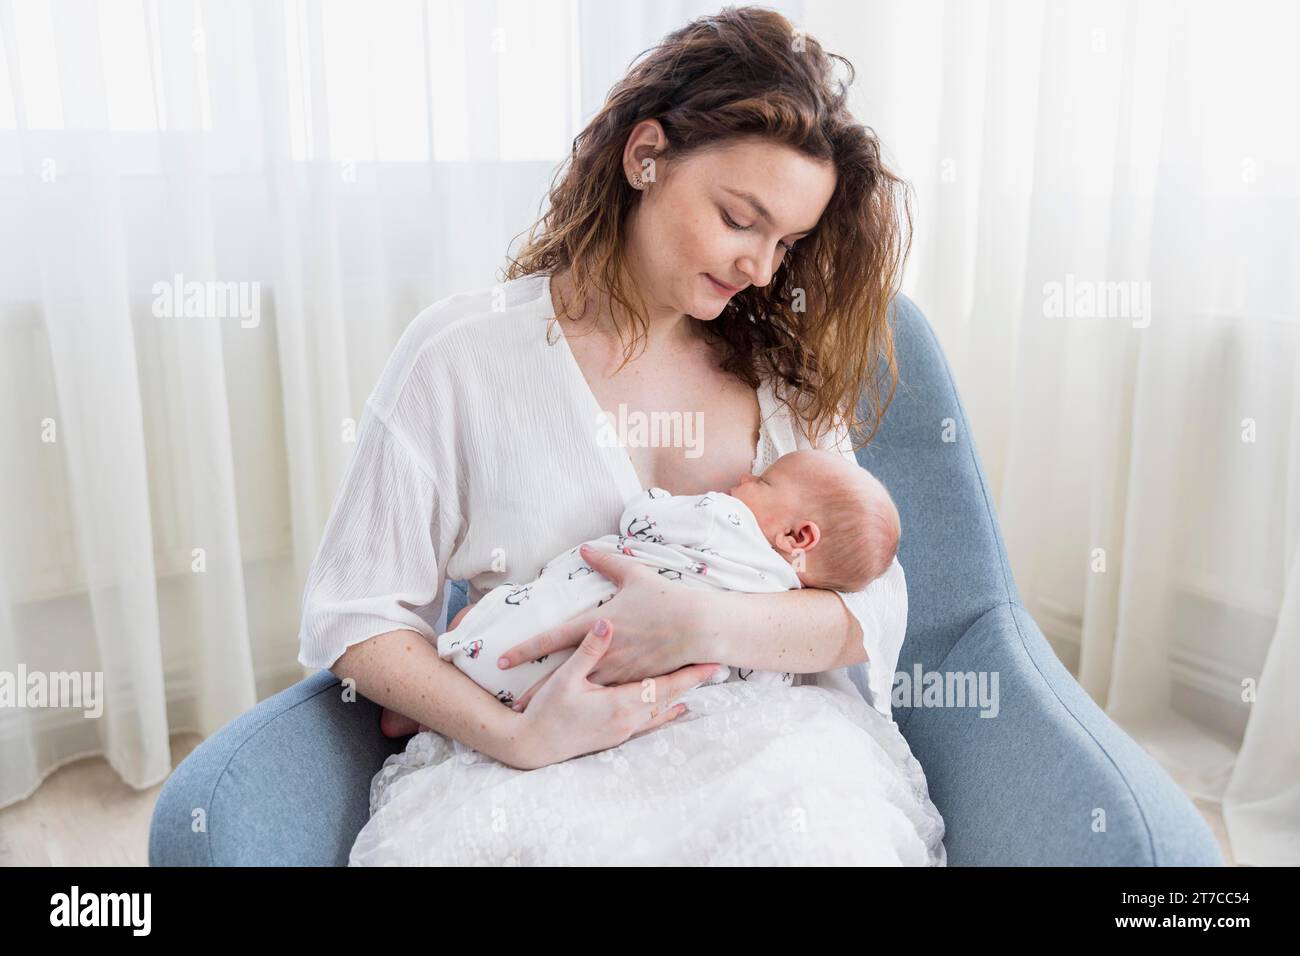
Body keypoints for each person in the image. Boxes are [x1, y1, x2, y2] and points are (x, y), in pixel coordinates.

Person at [298, 6, 945, 865]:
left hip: (764, 749)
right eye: (739, 218)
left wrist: (699, 625)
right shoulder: (460, 359)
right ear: (646, 156)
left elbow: (869, 604)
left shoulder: (778, 371)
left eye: (786, 242)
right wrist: (516, 737)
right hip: (533, 759)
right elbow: (356, 616)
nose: (761, 268)